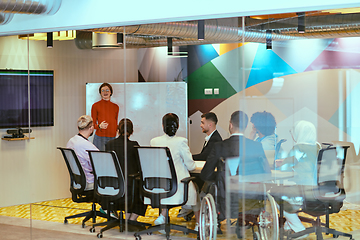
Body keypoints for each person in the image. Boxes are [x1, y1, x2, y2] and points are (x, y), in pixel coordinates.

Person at [200, 110, 270, 234]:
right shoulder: (256, 147)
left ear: (230, 125)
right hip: (251, 201)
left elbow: (206, 174)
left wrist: (221, 177)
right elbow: (266, 174)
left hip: (225, 200)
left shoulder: (219, 146)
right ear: (246, 127)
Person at [150, 113, 200, 231]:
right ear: (177, 126)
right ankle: (199, 224)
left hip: (159, 185)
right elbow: (191, 166)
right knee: (196, 193)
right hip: (179, 185)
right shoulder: (181, 142)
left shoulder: (154, 141)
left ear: (162, 126)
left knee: (167, 193)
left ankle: (162, 216)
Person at [275, 120, 321, 236]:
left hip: (303, 192)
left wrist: (282, 163)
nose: (293, 134)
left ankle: (300, 230)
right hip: (320, 192)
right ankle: (289, 225)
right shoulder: (318, 147)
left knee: (276, 196)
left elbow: (285, 169)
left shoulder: (298, 148)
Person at [179, 112, 223, 218]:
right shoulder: (212, 138)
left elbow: (204, 156)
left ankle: (190, 206)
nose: (200, 125)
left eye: (202, 123)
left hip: (210, 175)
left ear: (210, 124)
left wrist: (186, 157)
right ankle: (190, 207)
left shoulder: (215, 140)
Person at [105, 118, 147, 222]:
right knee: (142, 189)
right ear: (131, 132)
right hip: (129, 189)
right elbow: (140, 166)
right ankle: (131, 220)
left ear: (118, 130)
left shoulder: (109, 144)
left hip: (111, 187)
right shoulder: (133, 145)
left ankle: (126, 220)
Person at [66, 115, 98, 190]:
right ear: (92, 128)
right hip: (90, 181)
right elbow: (100, 166)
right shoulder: (87, 146)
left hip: (77, 181)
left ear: (78, 128)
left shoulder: (71, 141)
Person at [91, 83, 119, 151]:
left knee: (111, 159)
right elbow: (92, 124)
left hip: (113, 137)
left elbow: (115, 122)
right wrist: (99, 126)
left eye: (107, 90)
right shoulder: (95, 106)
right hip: (100, 137)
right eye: (103, 90)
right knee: (100, 158)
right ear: (100, 93)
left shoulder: (116, 107)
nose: (105, 92)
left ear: (111, 92)